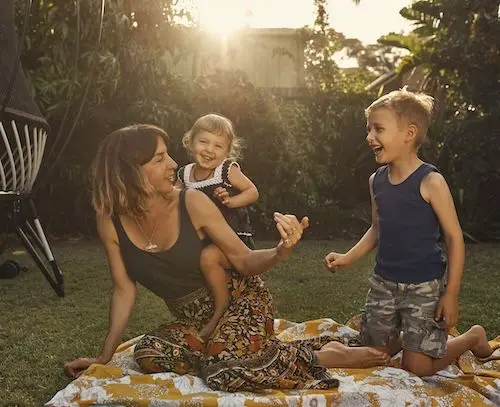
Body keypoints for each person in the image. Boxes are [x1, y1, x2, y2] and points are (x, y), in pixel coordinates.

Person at [64, 124, 390, 392]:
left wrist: (281, 250)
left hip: (240, 301)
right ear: (131, 172)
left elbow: (245, 260)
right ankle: (257, 349)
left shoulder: (191, 203)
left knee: (226, 370)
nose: (172, 164)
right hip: (196, 321)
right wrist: (103, 357)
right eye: (159, 158)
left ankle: (328, 356)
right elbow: (124, 289)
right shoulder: (110, 219)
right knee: (149, 353)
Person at [324, 89, 494, 377]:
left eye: (378, 129)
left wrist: (450, 293)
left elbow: (454, 238)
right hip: (383, 284)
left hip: (424, 287)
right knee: (374, 355)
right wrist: (348, 257)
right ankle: (411, 339)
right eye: (368, 129)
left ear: (409, 133)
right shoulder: (376, 181)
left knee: (416, 368)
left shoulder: (431, 181)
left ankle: (471, 337)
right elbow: (377, 228)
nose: (369, 137)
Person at [177, 113, 258, 340]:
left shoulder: (226, 170)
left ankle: (220, 310)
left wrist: (231, 201)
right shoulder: (184, 174)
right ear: (190, 142)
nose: (209, 149)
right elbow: (173, 202)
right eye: (203, 141)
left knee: (209, 257)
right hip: (202, 236)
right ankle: (197, 306)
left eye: (218, 145)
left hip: (232, 238)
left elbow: (252, 192)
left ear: (227, 151)